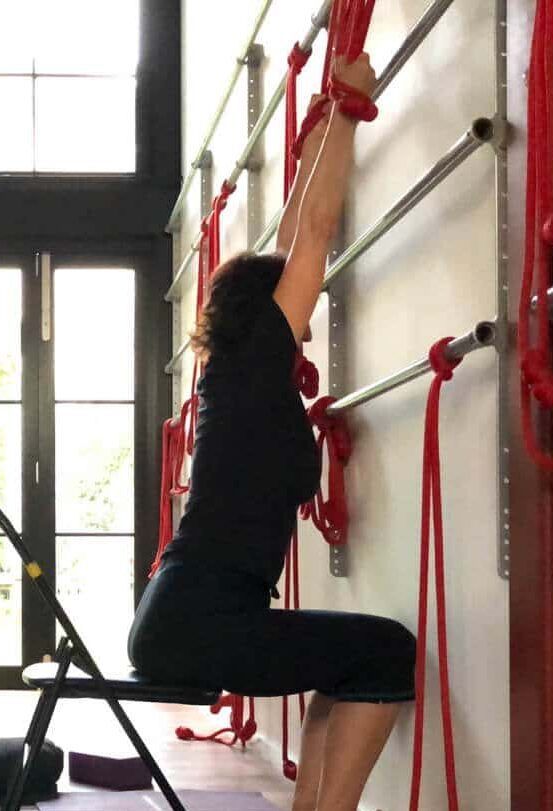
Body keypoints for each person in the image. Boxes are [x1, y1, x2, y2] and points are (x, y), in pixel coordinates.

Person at [128, 52, 416, 811]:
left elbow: (292, 239)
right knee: (386, 648)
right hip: (199, 620)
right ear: (272, 311)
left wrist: (320, 121)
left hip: (185, 614)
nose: (307, 300)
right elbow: (314, 231)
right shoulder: (256, 362)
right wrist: (351, 110)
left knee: (354, 658)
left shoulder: (237, 371)